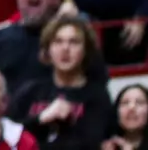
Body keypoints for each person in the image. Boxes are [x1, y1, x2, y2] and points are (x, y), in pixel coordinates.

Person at [7, 16, 112, 150]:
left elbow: (93, 142)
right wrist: (41, 119)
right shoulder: (30, 91)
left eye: (74, 42)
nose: (65, 48)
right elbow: (9, 135)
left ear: (85, 50)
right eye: (58, 41)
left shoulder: (98, 95)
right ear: (48, 49)